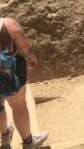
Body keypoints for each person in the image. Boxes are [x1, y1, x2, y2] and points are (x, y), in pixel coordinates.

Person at [0, 17, 48, 149]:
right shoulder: (8, 25)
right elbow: (24, 46)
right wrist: (30, 56)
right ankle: (28, 142)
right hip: (9, 72)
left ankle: (5, 138)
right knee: (19, 106)